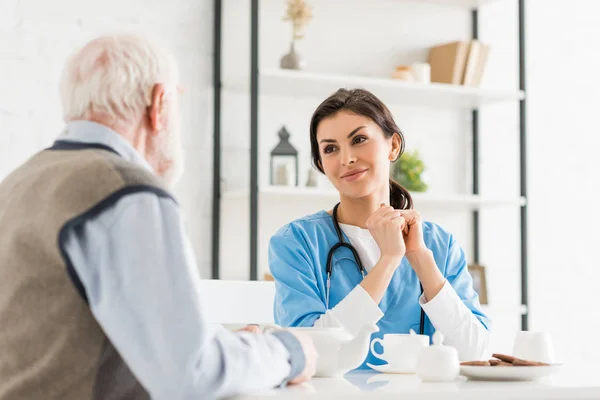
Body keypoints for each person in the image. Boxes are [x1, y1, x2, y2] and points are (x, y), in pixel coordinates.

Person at [0, 33, 316, 400]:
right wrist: (289, 352)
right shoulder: (127, 193)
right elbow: (192, 375)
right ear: (159, 103)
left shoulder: (17, 184)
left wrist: (223, 348)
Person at [269, 88, 490, 368]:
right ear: (322, 164)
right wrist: (388, 261)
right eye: (330, 148)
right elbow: (310, 353)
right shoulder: (296, 242)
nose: (346, 158)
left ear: (393, 145)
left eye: (359, 139)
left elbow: (476, 354)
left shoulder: (439, 243)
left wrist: (422, 261)